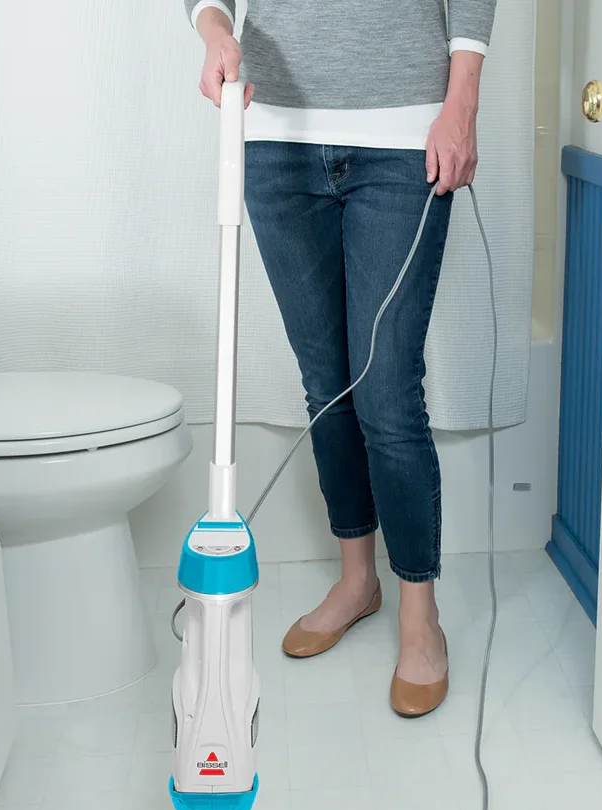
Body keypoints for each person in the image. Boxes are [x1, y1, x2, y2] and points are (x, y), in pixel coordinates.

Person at [185, 0, 496, 717]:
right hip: (274, 137)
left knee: (387, 390)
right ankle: (358, 579)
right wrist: (213, 27)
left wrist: (462, 104)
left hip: (404, 135)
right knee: (326, 382)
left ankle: (420, 612)